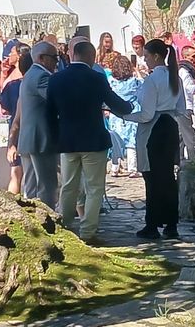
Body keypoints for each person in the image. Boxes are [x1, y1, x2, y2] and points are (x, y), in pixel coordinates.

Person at [47, 42, 133, 244]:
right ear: (92, 57)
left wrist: (55, 138)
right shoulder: (96, 78)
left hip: (68, 140)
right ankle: (88, 231)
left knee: (68, 186)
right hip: (93, 139)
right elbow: (114, 102)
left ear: (72, 55)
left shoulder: (56, 79)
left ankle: (66, 225)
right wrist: (129, 106)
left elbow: (49, 113)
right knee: (94, 187)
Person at [124, 39, 186, 240]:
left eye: (147, 57)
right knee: (168, 176)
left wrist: (124, 115)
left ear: (157, 56)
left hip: (154, 129)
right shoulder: (175, 77)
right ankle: (171, 223)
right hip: (170, 125)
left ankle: (152, 223)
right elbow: (182, 108)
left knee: (152, 177)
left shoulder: (152, 80)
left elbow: (147, 114)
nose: (146, 61)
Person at [17, 41, 60, 208]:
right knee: (47, 187)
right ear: (42, 58)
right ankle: (48, 225)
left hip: (29, 139)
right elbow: (56, 100)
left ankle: (34, 223)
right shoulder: (41, 76)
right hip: (41, 139)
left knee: (32, 188)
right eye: (55, 58)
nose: (57, 61)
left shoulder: (29, 74)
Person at [1, 52, 33, 194]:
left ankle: (14, 206)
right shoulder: (35, 84)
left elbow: (5, 108)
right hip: (31, 131)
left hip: (16, 129)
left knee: (16, 173)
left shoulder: (12, 86)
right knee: (34, 175)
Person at [107, 56, 141, 177]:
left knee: (116, 141)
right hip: (132, 113)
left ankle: (115, 167)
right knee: (131, 142)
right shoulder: (133, 81)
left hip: (116, 114)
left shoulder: (111, 81)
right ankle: (132, 168)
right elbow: (143, 88)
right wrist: (137, 72)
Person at [178, 46, 195, 160]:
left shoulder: (181, 70)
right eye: (193, 56)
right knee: (190, 136)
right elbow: (189, 89)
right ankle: (193, 161)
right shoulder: (184, 71)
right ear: (186, 57)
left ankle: (179, 160)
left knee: (181, 136)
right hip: (185, 106)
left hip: (181, 106)